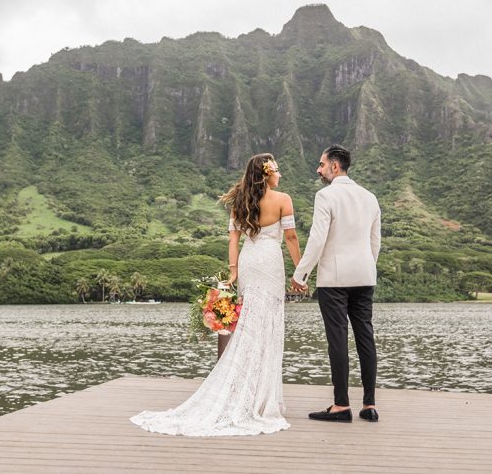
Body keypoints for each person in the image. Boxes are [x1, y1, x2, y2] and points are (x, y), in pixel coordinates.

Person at [130, 153, 301, 436]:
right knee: (268, 326)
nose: (280, 175)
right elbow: (292, 238)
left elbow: (233, 240)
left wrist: (233, 272)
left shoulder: (241, 202)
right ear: (267, 173)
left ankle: (245, 391)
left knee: (248, 325)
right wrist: (300, 271)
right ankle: (260, 399)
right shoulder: (283, 200)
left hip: (249, 261)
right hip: (270, 262)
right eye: (277, 170)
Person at [290, 144, 381, 423]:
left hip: (335, 279)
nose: (318, 170)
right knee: (365, 336)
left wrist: (300, 274)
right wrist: (368, 267)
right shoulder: (370, 197)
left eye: (321, 164)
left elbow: (317, 239)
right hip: (365, 276)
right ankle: (369, 405)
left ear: (334, 166)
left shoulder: (326, 196)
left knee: (338, 339)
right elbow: (374, 241)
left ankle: (341, 405)